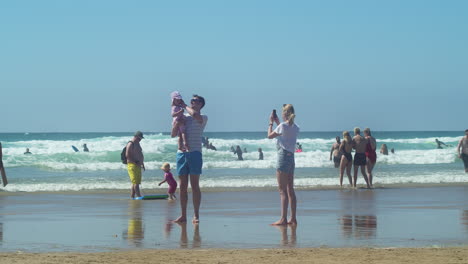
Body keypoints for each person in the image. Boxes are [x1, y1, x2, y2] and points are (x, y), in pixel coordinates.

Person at [172, 94, 208, 224]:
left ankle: (196, 214)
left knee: (194, 185)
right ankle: (183, 215)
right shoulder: (184, 116)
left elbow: (196, 116)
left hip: (195, 153)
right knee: (182, 187)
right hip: (181, 154)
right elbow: (173, 134)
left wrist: (184, 105)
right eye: (192, 101)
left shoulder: (203, 117)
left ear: (201, 104)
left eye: (196, 101)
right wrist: (177, 124)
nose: (193, 102)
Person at [267, 104, 299, 225]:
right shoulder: (296, 127)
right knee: (290, 189)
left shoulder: (282, 126)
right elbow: (285, 132)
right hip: (291, 158)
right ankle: (293, 218)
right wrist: (277, 122)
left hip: (283, 157)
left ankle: (283, 218)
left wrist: (270, 123)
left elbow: (269, 136)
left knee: (282, 191)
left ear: (285, 113)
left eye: (282, 112)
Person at [126, 131, 145, 198]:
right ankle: (139, 196)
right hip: (132, 165)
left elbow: (140, 153)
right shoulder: (131, 144)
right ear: (136, 136)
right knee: (136, 183)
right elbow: (127, 155)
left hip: (138, 165)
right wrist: (135, 162)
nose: (140, 140)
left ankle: (132, 196)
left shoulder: (138, 143)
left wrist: (142, 163)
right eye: (140, 138)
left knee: (135, 182)